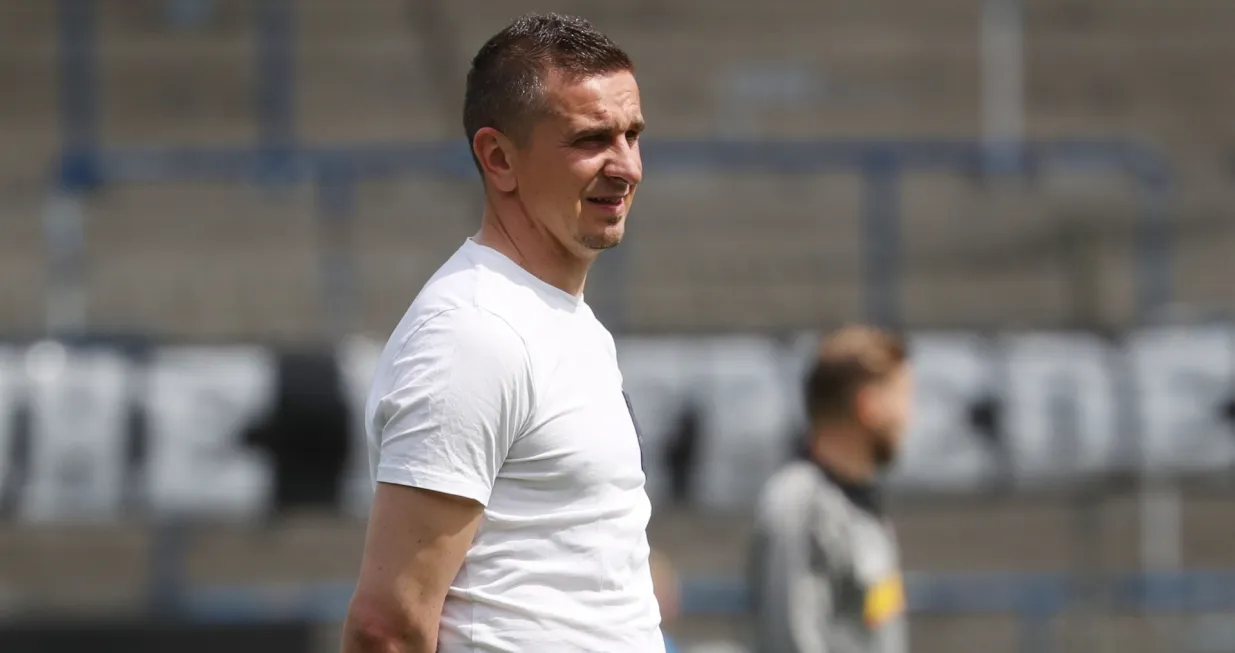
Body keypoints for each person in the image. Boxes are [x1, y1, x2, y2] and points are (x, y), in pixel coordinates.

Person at [341, 12, 663, 653]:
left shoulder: (559, 320)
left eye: (633, 135)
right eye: (591, 139)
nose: (626, 166)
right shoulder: (473, 333)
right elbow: (388, 628)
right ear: (498, 157)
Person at [748, 326, 914, 653]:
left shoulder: (863, 508)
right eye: (903, 397)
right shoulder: (798, 504)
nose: (909, 417)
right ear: (869, 405)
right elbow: (790, 641)